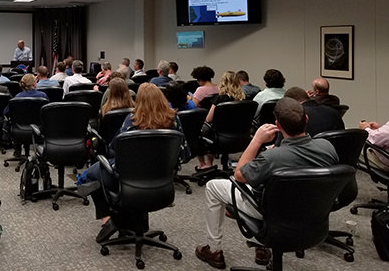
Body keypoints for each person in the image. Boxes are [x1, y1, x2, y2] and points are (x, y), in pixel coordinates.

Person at [195, 97, 338, 269]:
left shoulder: (272, 158)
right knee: (268, 185)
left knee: (213, 186)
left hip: (273, 213)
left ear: (277, 125)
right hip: (313, 213)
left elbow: (239, 175)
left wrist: (256, 140)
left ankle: (214, 249)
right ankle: (262, 248)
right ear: (306, 119)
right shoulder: (327, 147)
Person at [79, 83, 187, 243]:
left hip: (129, 177)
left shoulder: (132, 120)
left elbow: (114, 148)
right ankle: (129, 220)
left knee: (93, 174)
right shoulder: (174, 119)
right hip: (162, 180)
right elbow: (184, 154)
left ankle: (107, 219)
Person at [200, 71, 246, 170]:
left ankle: (209, 164)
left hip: (220, 137)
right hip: (240, 136)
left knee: (206, 130)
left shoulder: (219, 99)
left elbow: (208, 119)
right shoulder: (243, 100)